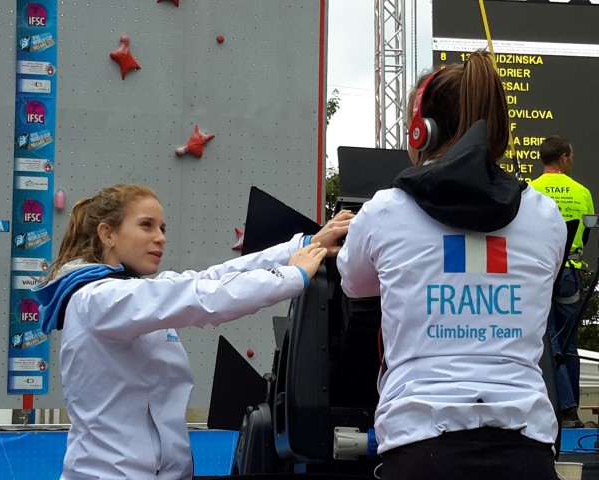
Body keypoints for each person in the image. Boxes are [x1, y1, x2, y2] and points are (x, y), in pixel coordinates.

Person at [337, 50, 565, 479]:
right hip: (527, 449)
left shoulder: (385, 211)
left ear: (420, 130)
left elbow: (355, 285)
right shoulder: (546, 216)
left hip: (420, 447)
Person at [33, 183, 353, 479]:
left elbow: (213, 277)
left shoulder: (134, 293)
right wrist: (293, 275)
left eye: (162, 228)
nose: (160, 237)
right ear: (107, 233)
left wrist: (306, 245)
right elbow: (205, 298)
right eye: (146, 225)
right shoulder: (97, 299)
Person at [531, 136, 595, 428]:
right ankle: (571, 409)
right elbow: (586, 232)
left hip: (541, 270)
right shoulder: (582, 192)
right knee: (569, 341)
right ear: (565, 157)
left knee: (549, 338)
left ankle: (564, 406)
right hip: (570, 271)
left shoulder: (530, 190)